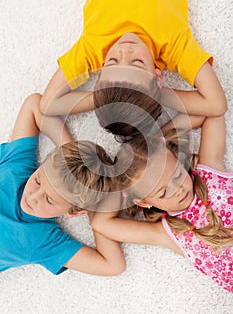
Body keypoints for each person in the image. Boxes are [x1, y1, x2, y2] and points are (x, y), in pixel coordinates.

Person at [39, 0, 227, 138]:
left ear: (102, 67)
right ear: (157, 76)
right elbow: (216, 104)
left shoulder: (93, 48)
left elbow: (48, 104)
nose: (125, 50)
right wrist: (154, 94)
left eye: (112, 61)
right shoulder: (173, 45)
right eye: (137, 62)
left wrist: (108, 97)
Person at [91, 114, 233, 293]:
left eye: (178, 175)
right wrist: (119, 181)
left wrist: (158, 140)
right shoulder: (166, 232)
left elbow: (212, 113)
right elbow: (100, 223)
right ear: (144, 203)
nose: (178, 189)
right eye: (163, 192)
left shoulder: (210, 173)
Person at [0, 93, 125, 276]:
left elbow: (112, 265)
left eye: (49, 200)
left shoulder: (42, 240)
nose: (32, 197)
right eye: (37, 180)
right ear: (41, 166)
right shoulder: (18, 168)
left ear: (74, 212)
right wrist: (67, 151)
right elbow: (34, 104)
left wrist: (99, 215)